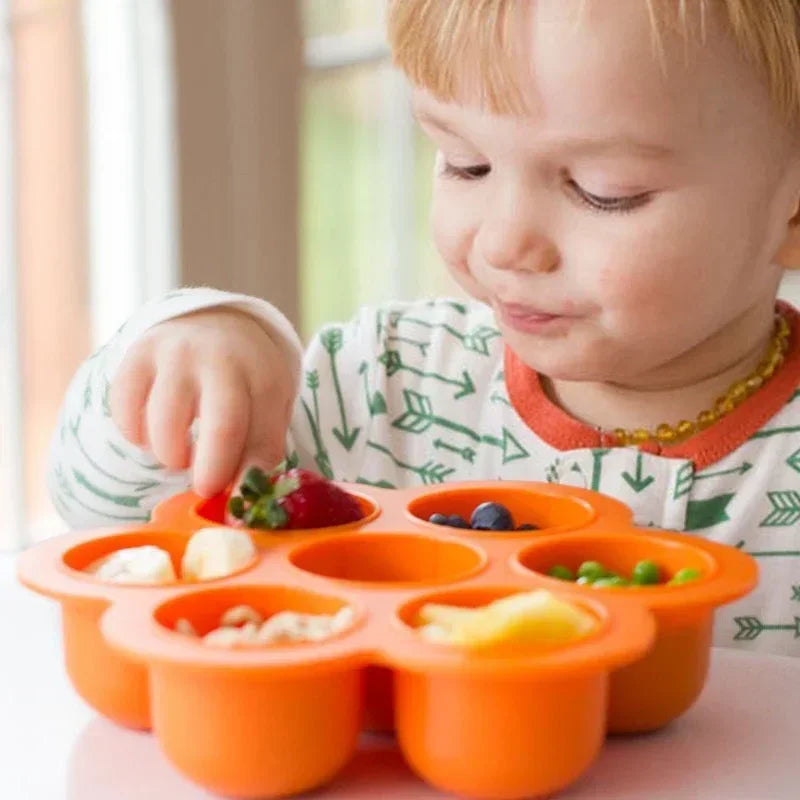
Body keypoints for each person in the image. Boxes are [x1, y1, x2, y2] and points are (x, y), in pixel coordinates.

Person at [48, 0, 800, 656]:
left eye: (604, 192)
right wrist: (185, 354)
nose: (503, 243)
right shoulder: (382, 386)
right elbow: (104, 515)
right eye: (465, 164)